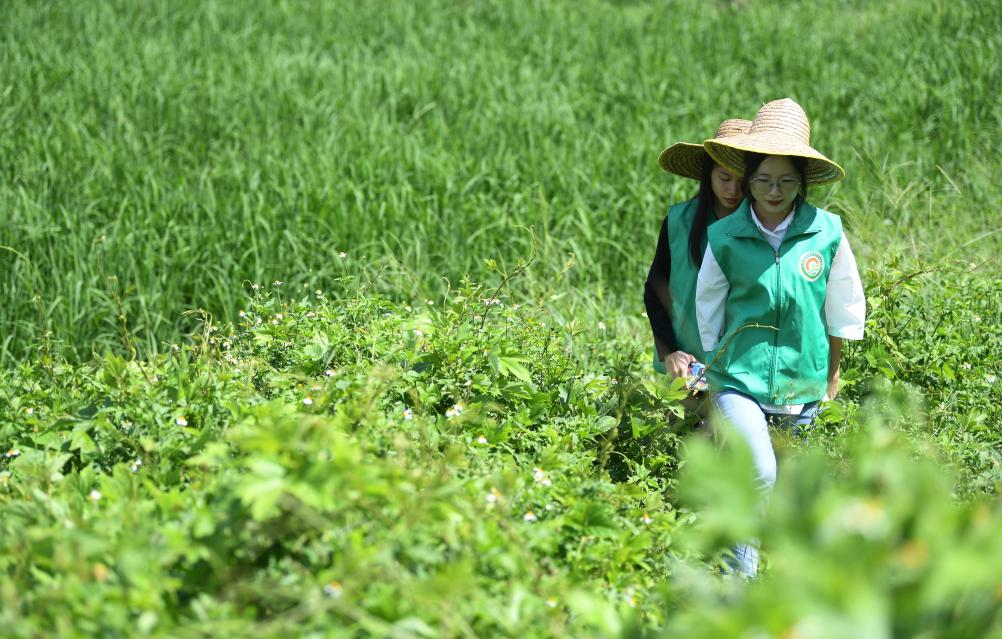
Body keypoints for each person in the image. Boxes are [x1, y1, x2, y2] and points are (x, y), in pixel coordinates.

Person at [695, 98, 866, 577]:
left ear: (802, 182)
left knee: (793, 493)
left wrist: (832, 372)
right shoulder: (725, 236)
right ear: (748, 180)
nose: (774, 191)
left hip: (803, 381)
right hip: (739, 379)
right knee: (760, 472)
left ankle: (788, 588)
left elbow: (842, 307)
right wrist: (713, 372)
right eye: (764, 180)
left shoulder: (826, 233)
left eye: (786, 181)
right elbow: (708, 309)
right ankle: (740, 588)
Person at [644, 118, 750, 386]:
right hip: (688, 365)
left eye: (742, 181)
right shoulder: (679, 222)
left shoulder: (762, 227)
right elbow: (655, 289)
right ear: (708, 174)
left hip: (747, 368)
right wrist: (670, 351)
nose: (733, 190)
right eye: (724, 178)